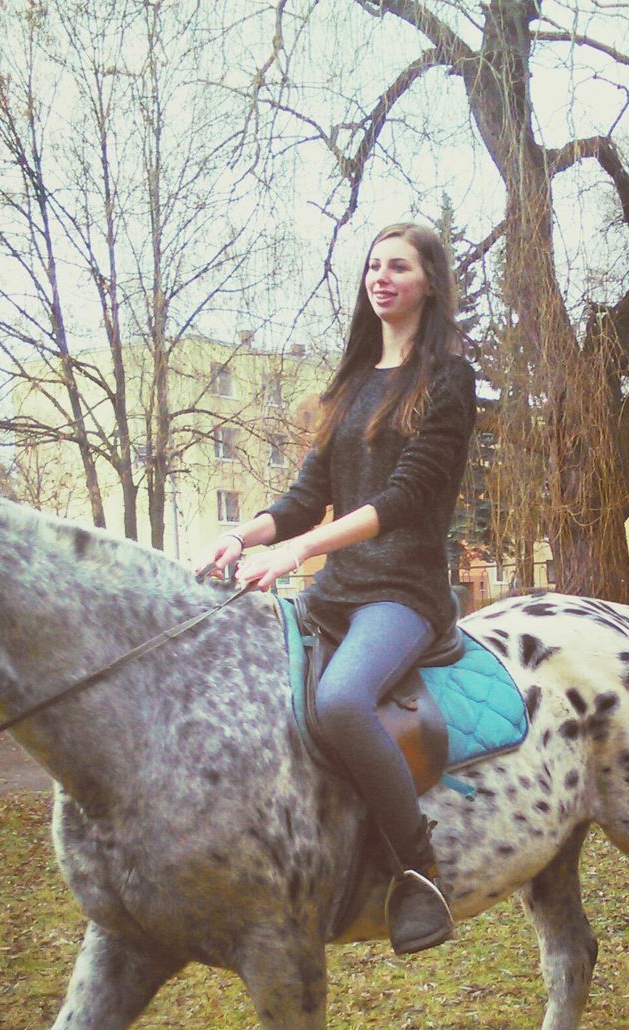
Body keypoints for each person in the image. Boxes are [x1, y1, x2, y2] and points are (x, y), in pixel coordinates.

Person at [195, 222, 477, 955]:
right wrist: (245, 536)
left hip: (401, 593)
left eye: (399, 267)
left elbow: (409, 497)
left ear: (429, 284)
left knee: (343, 700)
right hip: (336, 592)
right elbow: (304, 496)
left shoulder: (447, 379)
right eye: (373, 266)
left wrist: (297, 552)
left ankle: (418, 867)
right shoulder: (350, 384)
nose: (381, 277)